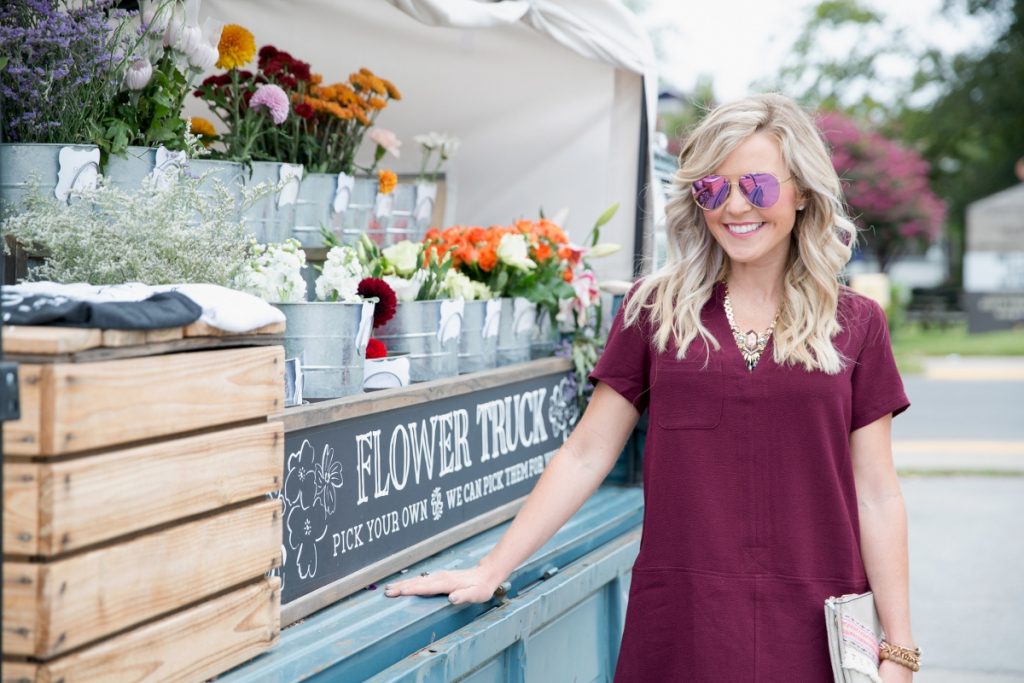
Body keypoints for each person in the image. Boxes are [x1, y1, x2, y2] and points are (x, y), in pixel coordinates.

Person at [385, 93, 917, 682]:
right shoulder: (654, 311)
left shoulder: (856, 323)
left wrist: (899, 648)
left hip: (817, 624)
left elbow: (876, 494)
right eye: (712, 188)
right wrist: (493, 567)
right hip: (683, 624)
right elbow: (586, 454)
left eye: (758, 185)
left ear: (803, 193)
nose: (735, 206)